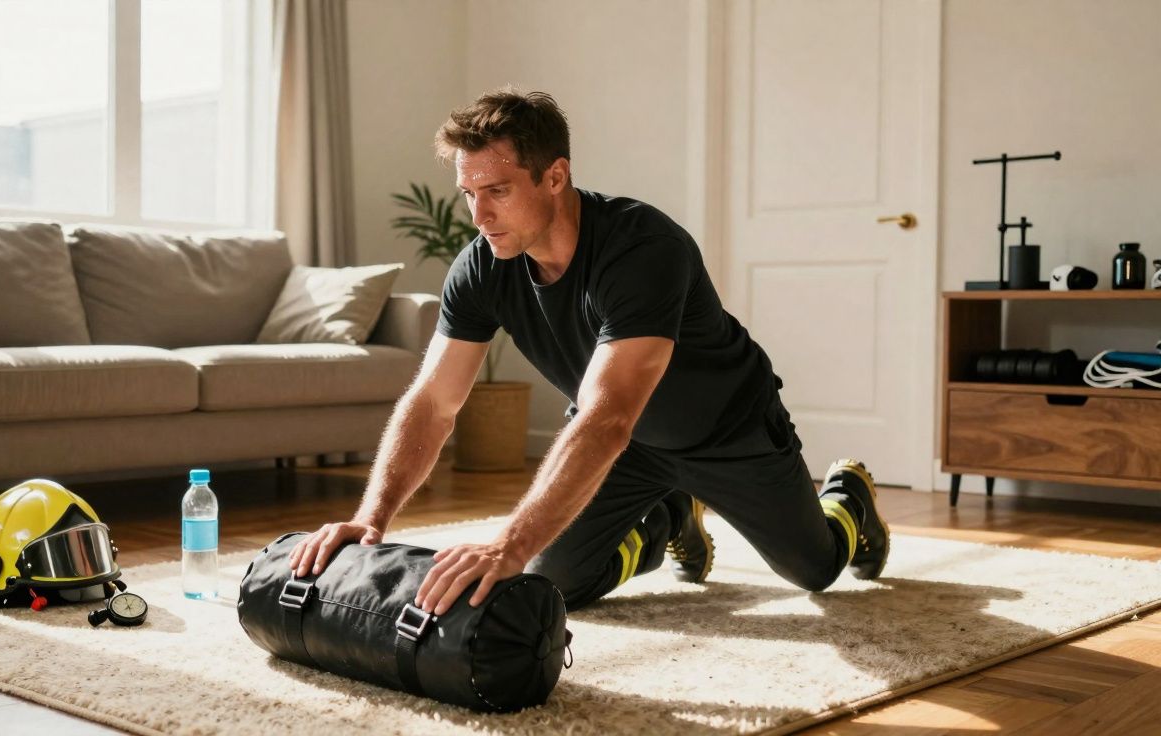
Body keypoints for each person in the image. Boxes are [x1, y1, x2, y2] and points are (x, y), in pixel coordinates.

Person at [289, 88, 889, 616]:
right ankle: (668, 517)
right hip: (628, 449)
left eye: (497, 190)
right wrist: (371, 519)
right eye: (468, 193)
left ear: (555, 176)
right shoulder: (482, 265)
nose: (479, 214)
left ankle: (846, 497)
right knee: (551, 580)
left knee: (816, 571)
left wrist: (508, 542)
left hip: (727, 431)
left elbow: (609, 415)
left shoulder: (643, 248)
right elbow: (434, 402)